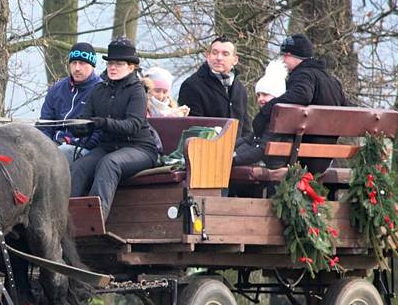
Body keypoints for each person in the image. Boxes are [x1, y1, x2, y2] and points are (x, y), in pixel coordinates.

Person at [70, 37, 162, 221]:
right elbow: (86, 119)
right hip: (108, 147)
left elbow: (132, 126)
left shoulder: (137, 91)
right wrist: (78, 127)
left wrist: (101, 123)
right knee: (80, 166)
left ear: (130, 67)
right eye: (110, 63)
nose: (112, 67)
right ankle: (66, 219)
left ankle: (92, 221)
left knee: (109, 164)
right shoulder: (98, 90)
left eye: (119, 63)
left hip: (139, 148)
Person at [252, 33, 348, 172]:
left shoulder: (303, 74)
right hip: (326, 155)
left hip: (302, 156)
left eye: (286, 55)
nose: (283, 59)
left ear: (294, 56)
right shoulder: (332, 80)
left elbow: (301, 95)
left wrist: (266, 111)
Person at [39, 42, 102, 163]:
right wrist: (45, 144)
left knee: (57, 156)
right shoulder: (56, 89)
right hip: (52, 145)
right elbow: (44, 125)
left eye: (82, 63)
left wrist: (70, 141)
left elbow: (98, 134)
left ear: (92, 65)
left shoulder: (101, 90)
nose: (77, 68)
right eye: (74, 63)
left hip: (83, 149)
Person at [178, 35, 252, 136]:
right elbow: (192, 129)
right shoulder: (192, 86)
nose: (219, 58)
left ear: (235, 60)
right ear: (208, 56)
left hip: (238, 149)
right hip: (205, 148)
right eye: (215, 53)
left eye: (225, 54)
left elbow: (246, 129)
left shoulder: (240, 89)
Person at [233, 59, 288, 166]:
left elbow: (262, 149)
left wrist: (233, 159)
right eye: (258, 95)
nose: (260, 99)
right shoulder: (267, 117)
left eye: (265, 94)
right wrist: (227, 149)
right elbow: (250, 138)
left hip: (273, 164)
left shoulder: (278, 121)